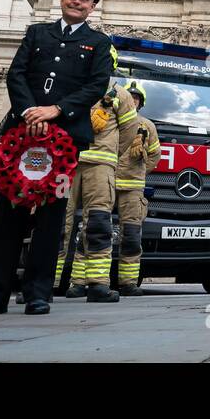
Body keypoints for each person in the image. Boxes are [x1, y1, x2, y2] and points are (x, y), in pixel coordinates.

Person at [0, 0, 114, 317]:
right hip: (23, 136)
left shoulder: (99, 43)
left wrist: (56, 110)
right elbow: (16, 74)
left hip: (64, 142)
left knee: (51, 219)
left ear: (92, 6)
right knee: (7, 217)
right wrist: (30, 112)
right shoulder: (36, 33)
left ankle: (38, 294)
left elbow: (96, 85)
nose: (77, 1)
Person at [58, 62, 139, 304]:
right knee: (57, 223)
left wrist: (110, 153)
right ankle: (43, 282)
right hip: (67, 164)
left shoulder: (119, 94)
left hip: (97, 166)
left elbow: (129, 130)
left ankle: (97, 283)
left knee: (97, 223)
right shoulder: (70, 84)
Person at [113, 85, 160, 297]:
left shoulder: (147, 126)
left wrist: (139, 170)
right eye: (129, 98)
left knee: (131, 235)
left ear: (141, 103)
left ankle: (128, 282)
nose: (132, 101)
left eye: (136, 99)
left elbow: (154, 156)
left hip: (132, 187)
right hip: (107, 183)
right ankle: (89, 281)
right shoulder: (110, 120)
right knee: (95, 231)